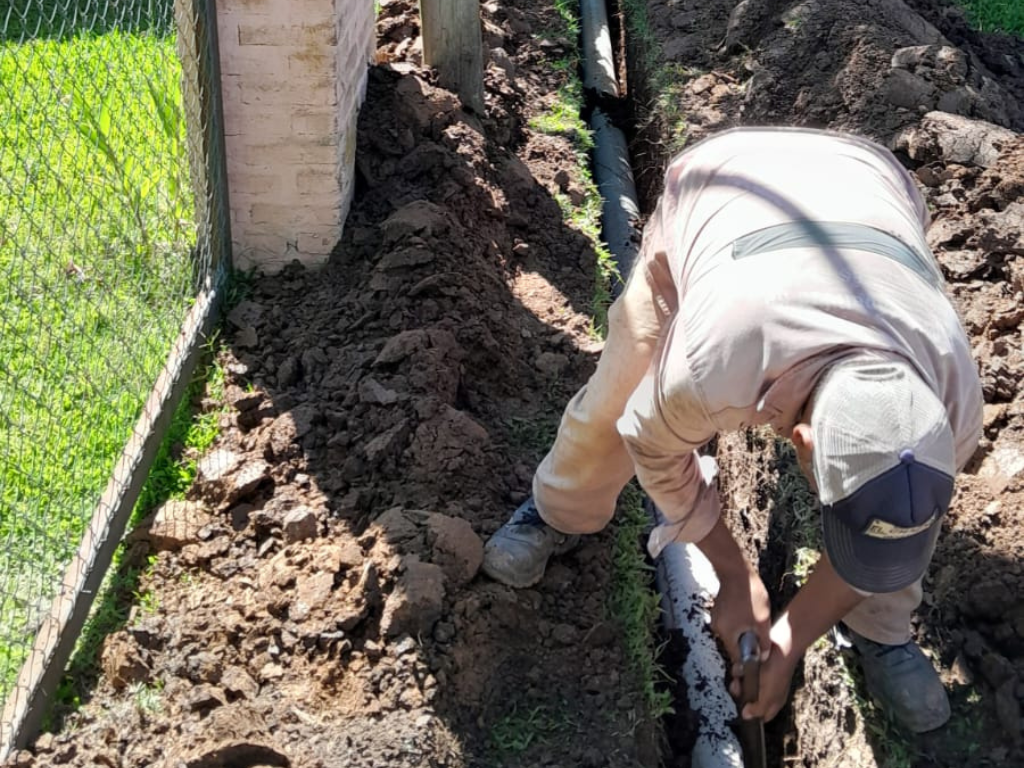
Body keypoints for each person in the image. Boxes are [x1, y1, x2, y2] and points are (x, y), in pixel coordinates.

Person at [482, 128, 983, 733]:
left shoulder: (953, 408)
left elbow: (898, 519)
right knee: (619, 391)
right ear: (802, 445)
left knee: (894, 518)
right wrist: (733, 574)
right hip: (719, 187)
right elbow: (652, 443)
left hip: (872, 186)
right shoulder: (710, 364)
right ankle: (559, 509)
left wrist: (791, 638)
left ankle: (882, 628)